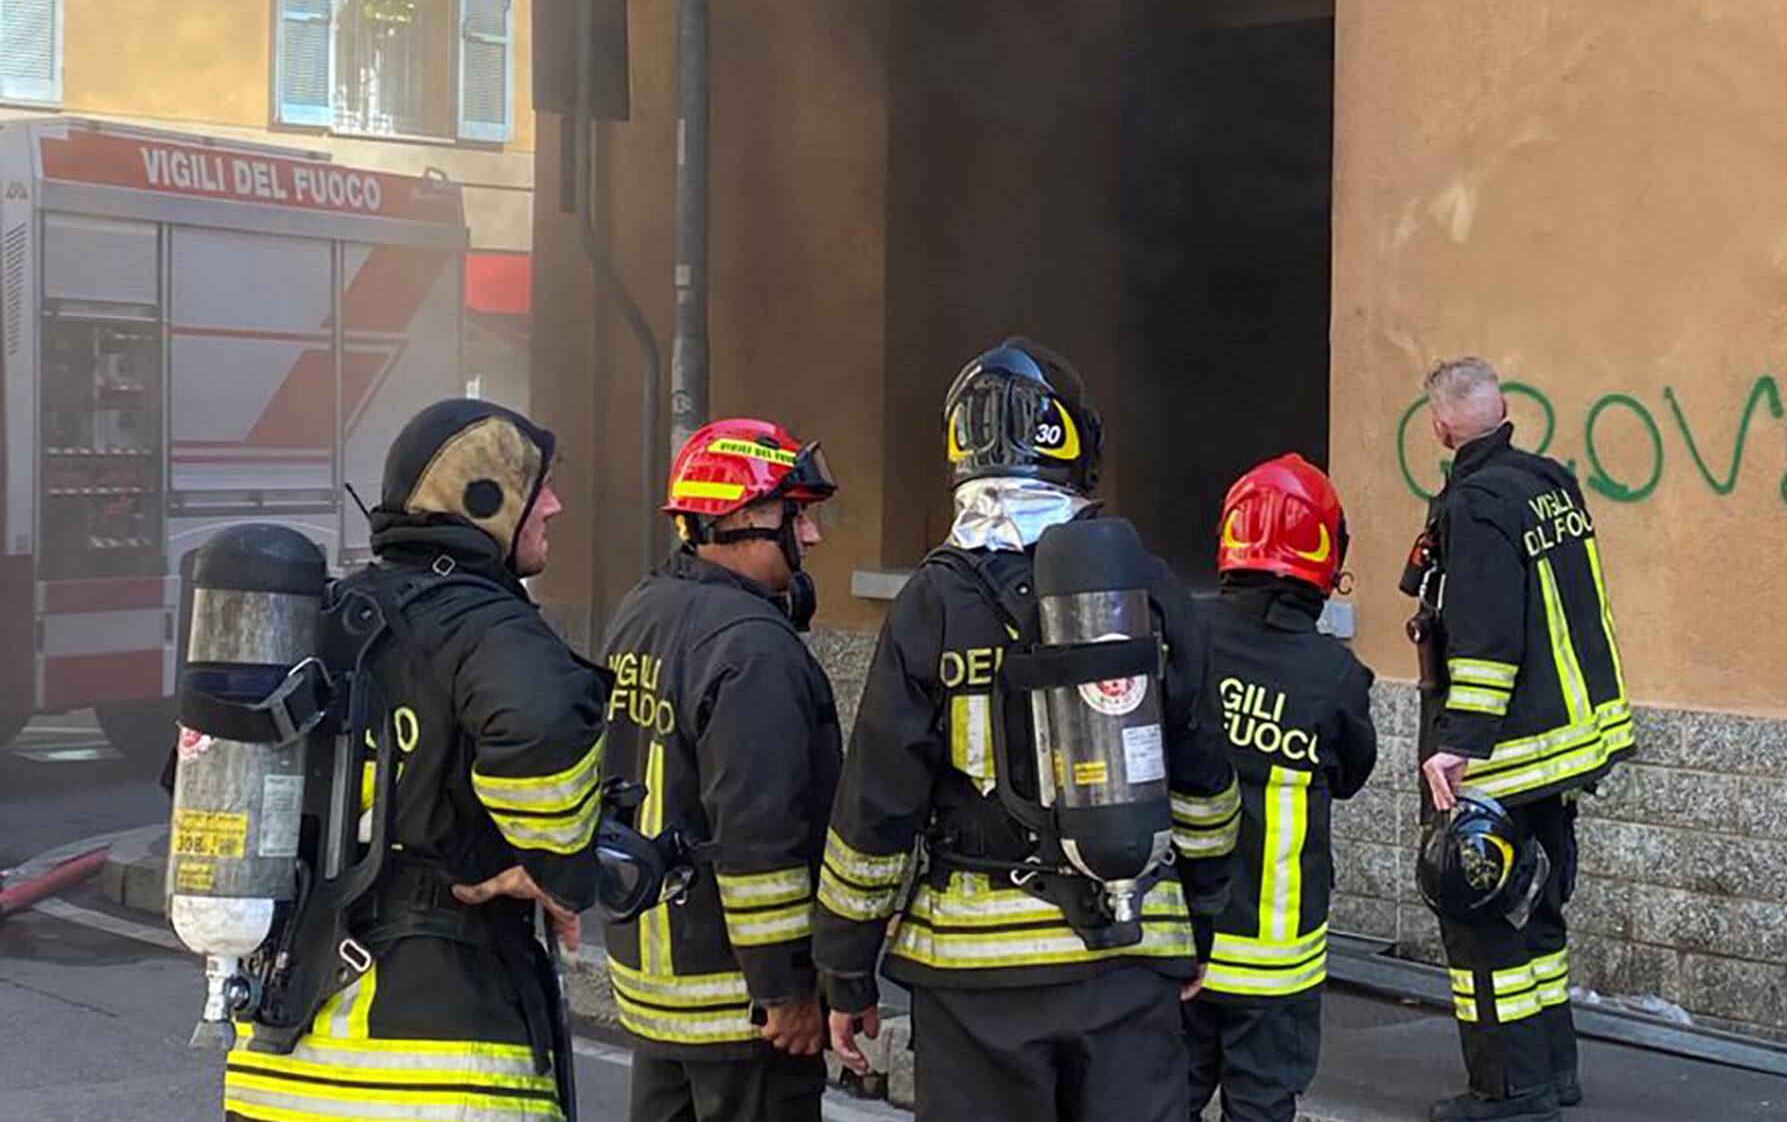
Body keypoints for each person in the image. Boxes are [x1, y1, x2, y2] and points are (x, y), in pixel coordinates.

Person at [812, 337, 1240, 1122]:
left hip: (975, 984)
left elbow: (875, 804)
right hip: (1127, 954)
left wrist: (846, 970)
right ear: (1078, 450)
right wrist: (1202, 922)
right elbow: (1205, 779)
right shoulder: (1145, 585)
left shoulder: (931, 602)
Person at [223, 398, 605, 1122]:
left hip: (278, 1058)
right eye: (538, 486)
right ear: (483, 499)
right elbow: (545, 723)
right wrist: (553, 864)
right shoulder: (487, 627)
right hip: (438, 1062)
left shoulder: (330, 616)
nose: (554, 505)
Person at [1401, 359, 1635, 1122]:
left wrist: (1457, 744)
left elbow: (1487, 635)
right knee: (1535, 912)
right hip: (1567, 743)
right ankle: (1554, 1071)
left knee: (1483, 919)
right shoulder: (1550, 485)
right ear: (1505, 413)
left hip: (1506, 751)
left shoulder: (1475, 505)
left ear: (1439, 427)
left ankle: (1510, 1090)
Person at [597, 419, 845, 1122]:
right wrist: (783, 991)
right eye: (800, 515)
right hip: (740, 1012)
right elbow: (758, 835)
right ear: (741, 519)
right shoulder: (751, 649)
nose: (814, 538)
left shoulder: (643, 609)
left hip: (658, 1001)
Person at [1186, 454, 1378, 1122]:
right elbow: (1351, 775)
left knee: (1158, 1099)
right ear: (1327, 554)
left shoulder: (1182, 636)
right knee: (1262, 1108)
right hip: (1275, 962)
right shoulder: (1335, 674)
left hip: (1179, 948)